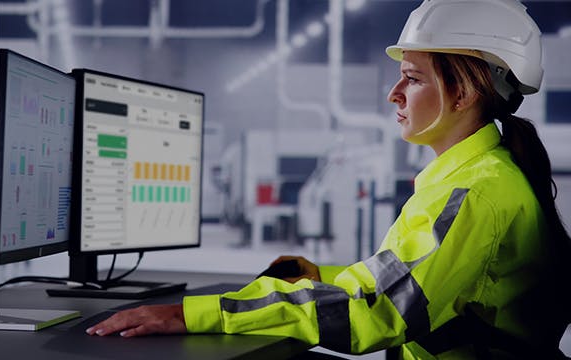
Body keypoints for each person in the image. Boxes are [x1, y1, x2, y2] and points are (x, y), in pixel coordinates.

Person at [86, 0, 571, 357]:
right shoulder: (478, 175)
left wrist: (192, 314)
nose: (394, 94)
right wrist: (323, 277)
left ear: (462, 92)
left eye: (413, 77)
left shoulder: (474, 192)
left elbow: (378, 312)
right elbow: (409, 282)